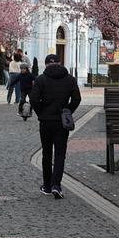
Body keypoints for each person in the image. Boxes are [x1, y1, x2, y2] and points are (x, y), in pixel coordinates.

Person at [31, 53, 82, 199]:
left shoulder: (41, 79)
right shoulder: (69, 79)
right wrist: (68, 111)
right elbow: (77, 98)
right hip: (61, 121)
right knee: (60, 154)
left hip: (46, 121)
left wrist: (40, 111)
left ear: (47, 64)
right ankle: (56, 185)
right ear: (60, 63)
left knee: (46, 153)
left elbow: (34, 98)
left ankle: (47, 185)